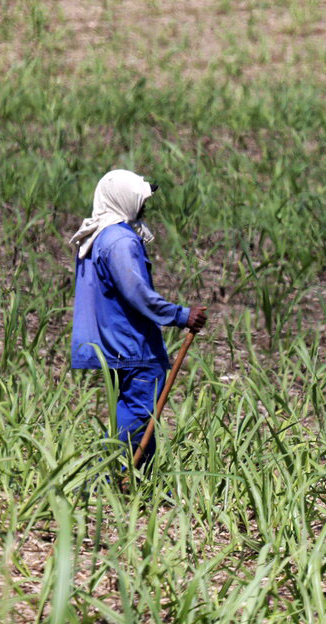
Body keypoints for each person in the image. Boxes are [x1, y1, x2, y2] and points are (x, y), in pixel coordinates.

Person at [69, 169, 207, 472]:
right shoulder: (120, 240)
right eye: (140, 198)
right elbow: (137, 294)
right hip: (133, 346)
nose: (144, 204)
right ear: (123, 198)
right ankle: (106, 481)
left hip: (113, 345)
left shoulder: (98, 235)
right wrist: (182, 315)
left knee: (142, 419)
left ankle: (143, 483)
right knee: (138, 416)